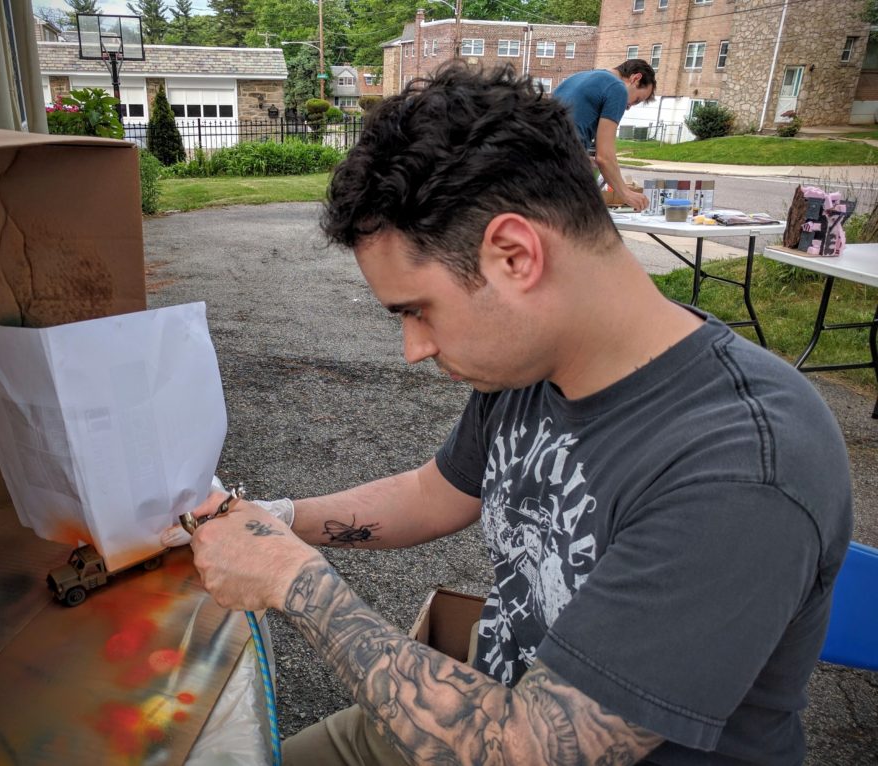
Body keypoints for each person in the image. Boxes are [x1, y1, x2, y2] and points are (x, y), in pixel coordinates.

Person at [163, 63, 852, 765]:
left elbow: (526, 748)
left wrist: (296, 583)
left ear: (516, 256)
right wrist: (274, 520)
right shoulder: (533, 365)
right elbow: (434, 494)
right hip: (454, 712)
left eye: (417, 310)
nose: (413, 349)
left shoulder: (741, 467)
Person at [554, 59, 656, 212]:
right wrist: (626, 193)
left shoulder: (576, 78)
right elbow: (604, 157)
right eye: (636, 100)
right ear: (635, 78)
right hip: (560, 172)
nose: (628, 107)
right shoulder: (618, 89)